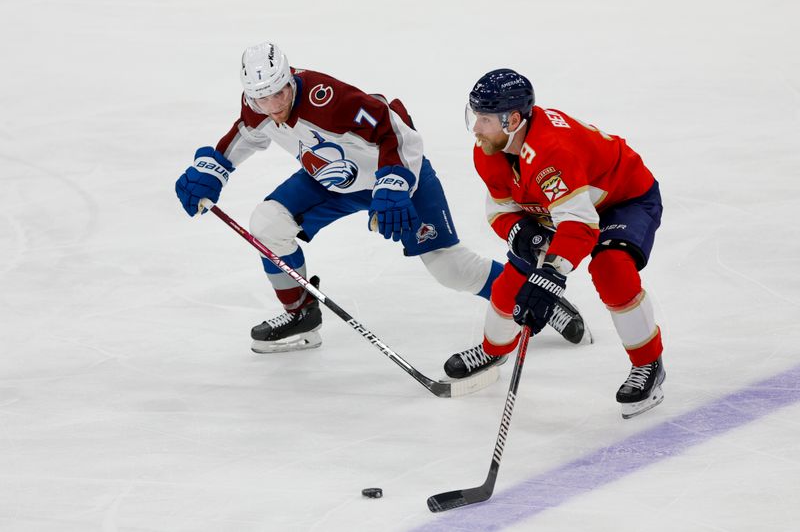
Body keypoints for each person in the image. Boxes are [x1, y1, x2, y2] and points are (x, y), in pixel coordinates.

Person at [174, 41, 588, 357]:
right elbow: (242, 138)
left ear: (290, 77)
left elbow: (397, 131)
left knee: (450, 268)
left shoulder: (328, 99)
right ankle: (301, 314)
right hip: (331, 182)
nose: (273, 106)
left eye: (279, 93)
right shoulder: (258, 107)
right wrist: (211, 171)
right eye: (262, 98)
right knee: (268, 223)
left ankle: (542, 301)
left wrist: (394, 185)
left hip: (397, 176)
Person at [450, 68, 665, 419]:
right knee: (512, 283)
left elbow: (579, 226)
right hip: (557, 206)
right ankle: (494, 350)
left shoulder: (553, 150)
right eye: (475, 116)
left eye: (484, 119)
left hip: (622, 199)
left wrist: (552, 273)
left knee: (612, 269)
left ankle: (648, 365)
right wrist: (519, 232)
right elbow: (500, 207)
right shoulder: (490, 148)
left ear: (513, 120)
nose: (476, 128)